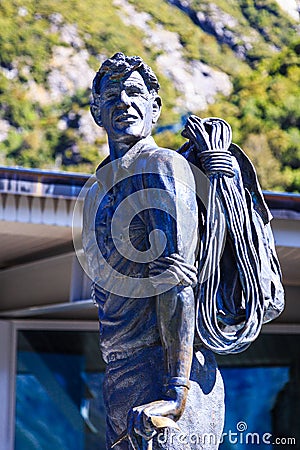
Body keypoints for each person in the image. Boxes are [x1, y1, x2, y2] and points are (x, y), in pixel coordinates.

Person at [81, 52, 284, 449]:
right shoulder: (96, 189)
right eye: (112, 95)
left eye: (135, 92)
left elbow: (176, 280)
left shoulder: (161, 167)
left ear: (154, 108)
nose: (124, 101)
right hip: (121, 376)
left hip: (169, 376)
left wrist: (175, 395)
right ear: (96, 110)